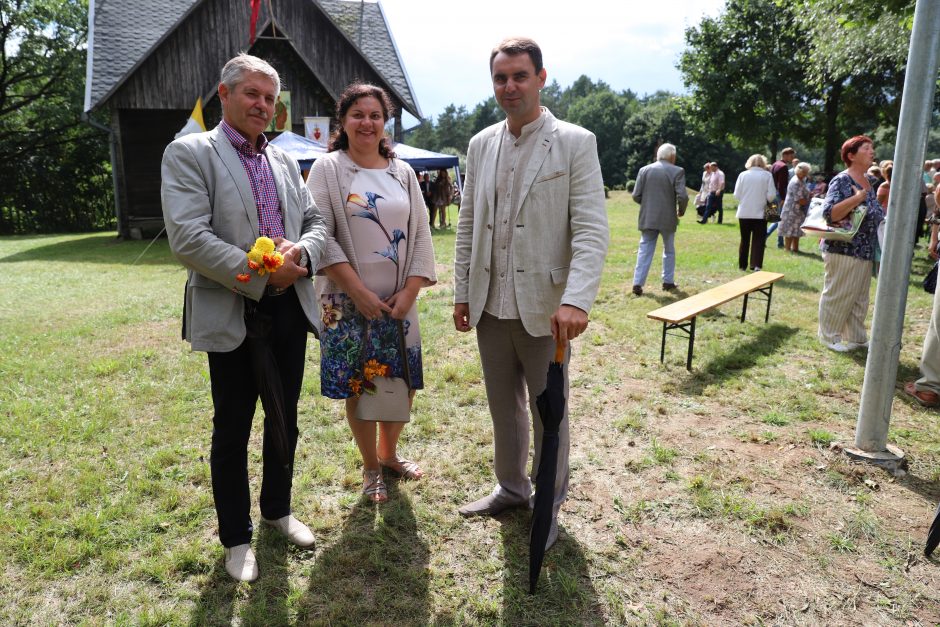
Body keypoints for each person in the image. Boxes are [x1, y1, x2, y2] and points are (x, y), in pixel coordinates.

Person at [161, 54, 326, 582]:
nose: (262, 105)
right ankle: (236, 539)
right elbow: (189, 236)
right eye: (252, 94)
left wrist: (300, 252)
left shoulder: (280, 158)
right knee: (232, 429)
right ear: (224, 94)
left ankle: (277, 510)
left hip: (288, 311)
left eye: (270, 98)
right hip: (233, 309)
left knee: (286, 419)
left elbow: (316, 219)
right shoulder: (190, 152)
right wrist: (260, 275)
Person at [453, 37, 609, 550]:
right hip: (490, 304)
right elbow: (468, 223)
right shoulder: (480, 145)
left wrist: (577, 299)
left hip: (548, 311)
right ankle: (511, 488)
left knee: (550, 414)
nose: (509, 86)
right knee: (504, 407)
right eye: (500, 78)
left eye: (519, 76)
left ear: (542, 78)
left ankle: (548, 504)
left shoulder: (574, 142)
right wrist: (461, 291)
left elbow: (590, 229)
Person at [306, 83, 436, 504]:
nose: (367, 122)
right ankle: (370, 467)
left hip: (401, 302)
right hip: (346, 302)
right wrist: (357, 291)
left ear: (385, 122)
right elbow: (320, 234)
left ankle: (390, 455)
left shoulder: (403, 172)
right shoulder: (328, 169)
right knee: (361, 385)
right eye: (358, 114)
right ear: (342, 121)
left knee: (402, 381)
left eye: (375, 115)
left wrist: (412, 290)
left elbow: (421, 237)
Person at [817, 135, 885, 352]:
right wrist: (858, 198)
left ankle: (856, 337)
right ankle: (829, 336)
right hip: (843, 248)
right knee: (839, 292)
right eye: (866, 148)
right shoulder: (843, 180)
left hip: (864, 249)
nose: (872, 152)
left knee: (859, 296)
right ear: (851, 155)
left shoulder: (868, 181)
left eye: (872, 148)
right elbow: (830, 213)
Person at [631, 143, 688, 295]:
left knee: (644, 250)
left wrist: (648, 205)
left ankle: (637, 283)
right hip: (668, 218)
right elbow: (683, 196)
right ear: (672, 156)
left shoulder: (644, 170)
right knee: (669, 250)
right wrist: (680, 210)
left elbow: (636, 195)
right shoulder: (678, 171)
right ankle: (668, 282)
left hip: (648, 217)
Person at [733, 154, 776, 271]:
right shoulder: (767, 175)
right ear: (763, 163)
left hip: (744, 212)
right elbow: (771, 196)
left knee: (744, 239)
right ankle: (756, 265)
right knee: (759, 240)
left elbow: (736, 194)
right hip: (760, 212)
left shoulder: (742, 175)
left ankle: (742, 265)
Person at [779, 162, 813, 253]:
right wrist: (811, 201)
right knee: (789, 229)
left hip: (798, 210)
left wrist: (809, 195)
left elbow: (804, 193)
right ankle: (787, 249)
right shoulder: (796, 182)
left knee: (796, 230)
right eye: (804, 172)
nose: (806, 174)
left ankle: (795, 249)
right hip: (792, 209)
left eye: (807, 172)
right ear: (799, 171)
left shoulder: (801, 180)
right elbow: (800, 199)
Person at [767, 147, 797, 247]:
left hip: (771, 193)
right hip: (779, 195)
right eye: (791, 156)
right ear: (785, 155)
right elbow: (782, 185)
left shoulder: (774, 165)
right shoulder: (783, 166)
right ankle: (765, 236)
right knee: (780, 219)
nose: (792, 159)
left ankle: (780, 243)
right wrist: (784, 198)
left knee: (773, 217)